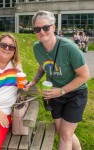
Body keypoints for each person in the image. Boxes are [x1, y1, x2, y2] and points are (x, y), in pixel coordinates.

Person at [24, 10, 90, 150]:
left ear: (53, 27)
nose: (42, 32)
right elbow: (43, 66)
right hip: (55, 94)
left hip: (75, 93)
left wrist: (61, 91)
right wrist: (34, 81)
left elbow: (85, 76)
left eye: (46, 27)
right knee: (63, 133)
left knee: (66, 135)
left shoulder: (70, 48)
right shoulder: (37, 48)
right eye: (37, 29)